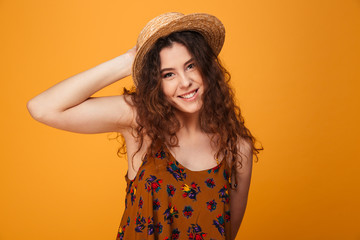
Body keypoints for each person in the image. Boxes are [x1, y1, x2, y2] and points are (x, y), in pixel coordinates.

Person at [27, 12, 263, 240]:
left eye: (190, 66)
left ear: (207, 67)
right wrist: (129, 61)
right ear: (154, 82)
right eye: (168, 74)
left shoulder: (237, 147)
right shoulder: (140, 120)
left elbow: (226, 232)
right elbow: (43, 108)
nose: (185, 82)